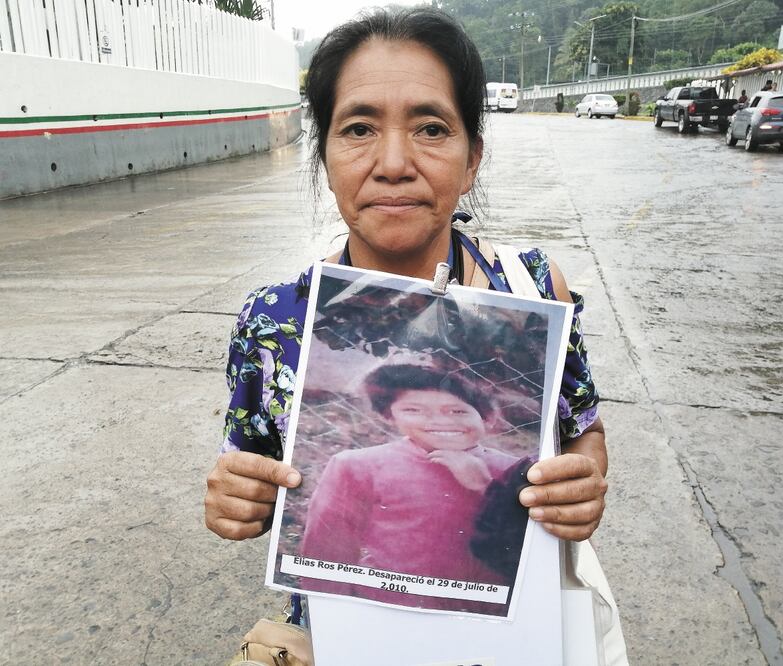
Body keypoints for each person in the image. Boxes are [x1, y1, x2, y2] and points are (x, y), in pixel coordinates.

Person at [204, 5, 622, 660]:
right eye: (359, 128)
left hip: (515, 640)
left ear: (471, 158)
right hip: (347, 640)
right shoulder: (274, 321)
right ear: (324, 153)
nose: (392, 162)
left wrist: (585, 478)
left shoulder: (535, 290)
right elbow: (251, 472)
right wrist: (237, 500)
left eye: (430, 127)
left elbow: (582, 428)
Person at [298, 364, 527, 615]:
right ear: (389, 415)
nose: (440, 421)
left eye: (458, 410)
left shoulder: (514, 471)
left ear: (487, 417)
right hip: (390, 611)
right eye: (414, 410)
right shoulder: (357, 465)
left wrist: (487, 487)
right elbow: (328, 552)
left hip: (487, 614)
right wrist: (329, 615)